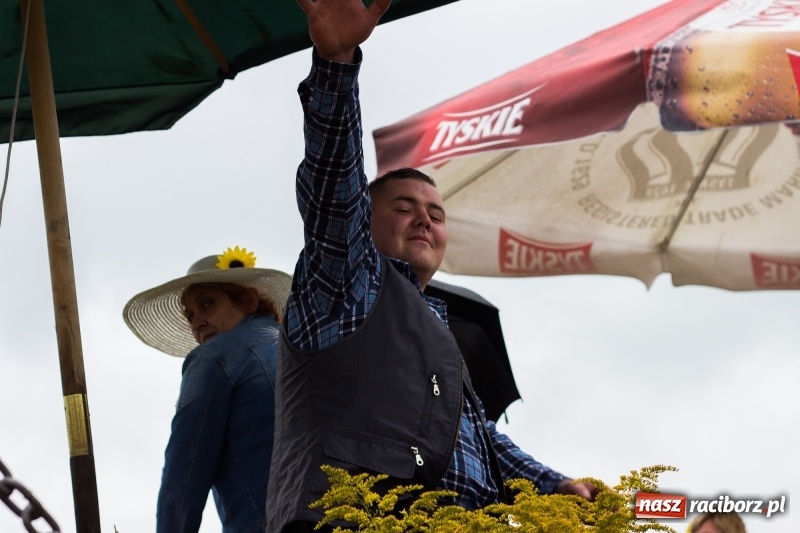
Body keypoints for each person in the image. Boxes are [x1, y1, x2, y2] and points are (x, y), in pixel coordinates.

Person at [266, 1, 598, 531]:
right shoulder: (347, 285)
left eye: (436, 215)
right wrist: (336, 62)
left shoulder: (438, 327)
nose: (424, 221)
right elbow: (335, 186)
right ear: (365, 222)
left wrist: (552, 485)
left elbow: (479, 436)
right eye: (403, 208)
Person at [123, 245, 292, 533]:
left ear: (249, 300)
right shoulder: (303, 349)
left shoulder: (213, 358)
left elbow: (184, 478)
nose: (197, 322)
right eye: (189, 316)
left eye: (207, 304)